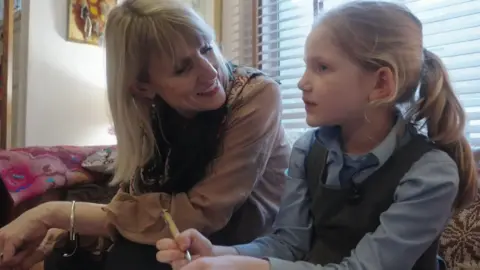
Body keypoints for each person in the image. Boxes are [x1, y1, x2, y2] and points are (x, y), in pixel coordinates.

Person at [155, 1, 478, 270]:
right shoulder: (308, 149)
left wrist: (251, 267)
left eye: (322, 67)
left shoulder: (431, 174)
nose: (302, 83)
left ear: (380, 84)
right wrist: (220, 253)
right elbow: (287, 244)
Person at [0, 0, 290, 269]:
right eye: (182, 68)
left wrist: (54, 213)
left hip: (238, 244)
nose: (210, 72)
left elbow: (201, 215)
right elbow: (134, 199)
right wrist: (72, 227)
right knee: (67, 253)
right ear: (142, 87)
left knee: (135, 259)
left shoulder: (256, 96)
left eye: (206, 48)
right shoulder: (150, 112)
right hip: (173, 235)